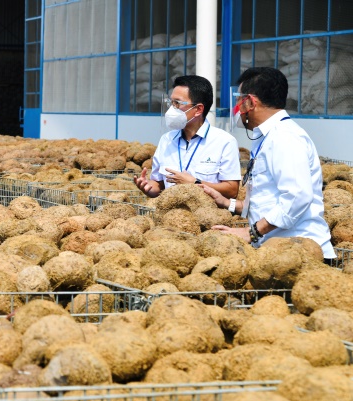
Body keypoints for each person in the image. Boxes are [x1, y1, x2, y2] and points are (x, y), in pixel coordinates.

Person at [202, 67, 336, 260]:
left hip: (301, 255)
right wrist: (227, 203)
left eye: (239, 100)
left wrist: (252, 232)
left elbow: (297, 197)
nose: (236, 107)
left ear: (250, 102)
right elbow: (268, 199)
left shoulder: (284, 137)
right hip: (277, 253)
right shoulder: (268, 136)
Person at [134, 75, 241, 199]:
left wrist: (195, 183)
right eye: (171, 102)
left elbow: (232, 190)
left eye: (177, 103)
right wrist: (148, 187)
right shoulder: (166, 140)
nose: (171, 109)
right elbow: (159, 184)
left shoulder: (224, 142)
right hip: (172, 215)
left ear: (198, 109)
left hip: (207, 215)